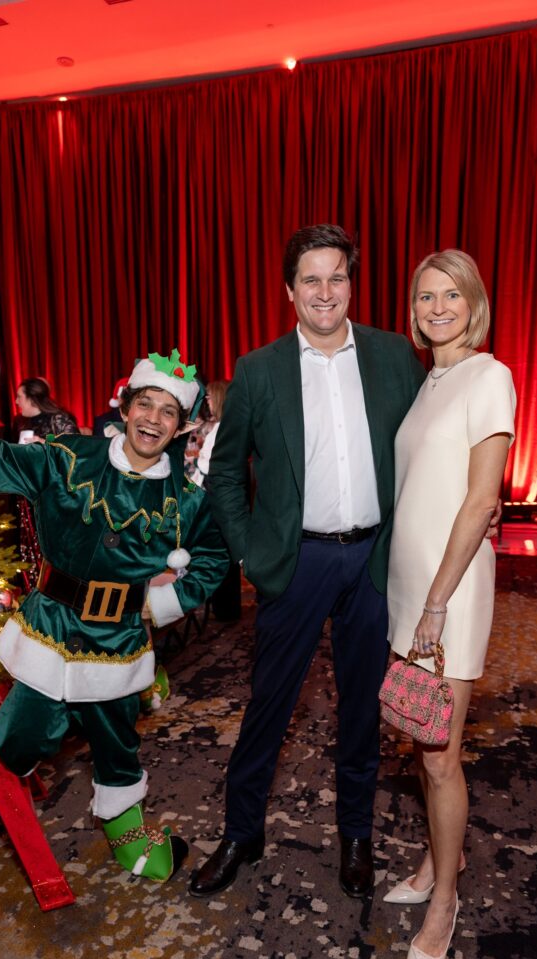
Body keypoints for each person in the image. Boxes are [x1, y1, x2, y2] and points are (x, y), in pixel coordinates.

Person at [188, 224, 427, 900]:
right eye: (311, 279)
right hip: (295, 564)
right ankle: (241, 832)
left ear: (351, 284)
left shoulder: (392, 356)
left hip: (375, 560)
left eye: (337, 277)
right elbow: (224, 473)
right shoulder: (259, 369)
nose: (325, 291)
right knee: (269, 704)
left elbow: (426, 446)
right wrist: (249, 548)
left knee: (360, 708)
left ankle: (356, 834)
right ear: (289, 290)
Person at [0, 351, 229, 883]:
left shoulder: (185, 501)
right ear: (126, 406)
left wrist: (162, 604)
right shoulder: (70, 457)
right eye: (145, 404)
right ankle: (84, 707)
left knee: (117, 743)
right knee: (18, 743)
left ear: (180, 426)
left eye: (167, 412)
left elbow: (211, 560)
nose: (153, 419)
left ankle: (126, 828)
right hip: (50, 628)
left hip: (119, 642)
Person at [384, 250, 516, 959]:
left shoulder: (487, 376)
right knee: (419, 736)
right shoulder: (428, 379)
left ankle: (446, 898)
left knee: (439, 755)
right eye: (425, 297)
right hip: (409, 591)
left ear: (473, 302)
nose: (437, 308)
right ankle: (441, 852)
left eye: (451, 296)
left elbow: (476, 499)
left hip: (450, 592)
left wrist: (435, 602)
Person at [191, 380, 242, 621]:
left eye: (210, 398)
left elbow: (211, 465)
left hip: (217, 496)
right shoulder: (224, 427)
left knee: (222, 554)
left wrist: (196, 463)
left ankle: (226, 609)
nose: (207, 403)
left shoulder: (223, 428)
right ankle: (226, 607)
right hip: (218, 494)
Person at [14, 377, 79, 440]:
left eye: (19, 397)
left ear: (32, 399)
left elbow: (76, 446)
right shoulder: (23, 423)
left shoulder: (59, 420)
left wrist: (44, 444)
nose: (16, 401)